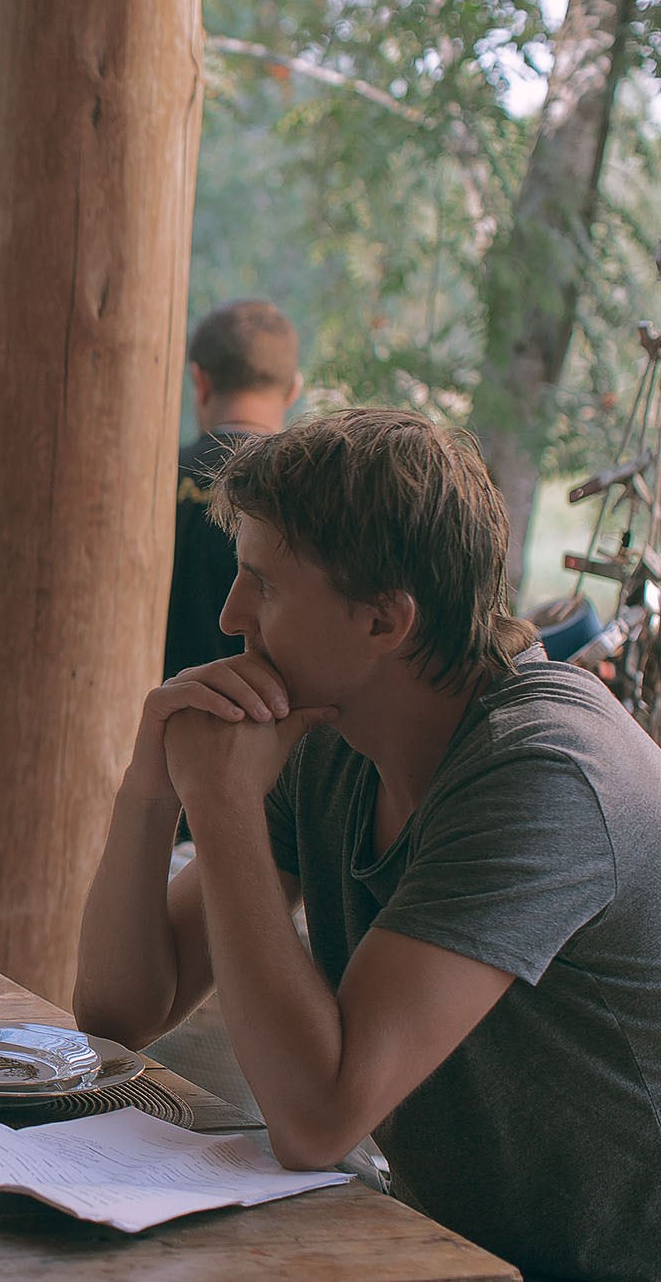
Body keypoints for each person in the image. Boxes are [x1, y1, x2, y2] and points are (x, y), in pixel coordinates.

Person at [75, 407, 661, 1277]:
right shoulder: (330, 739)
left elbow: (315, 1120)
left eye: (263, 584)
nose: (231, 616)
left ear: (385, 621)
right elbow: (120, 1013)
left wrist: (224, 806)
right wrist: (151, 785)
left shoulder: (542, 772)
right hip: (446, 1250)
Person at [164, 299, 300, 679]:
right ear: (293, 390)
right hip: (267, 708)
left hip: (148, 703)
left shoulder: (152, 479)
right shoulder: (310, 496)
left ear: (200, 380)